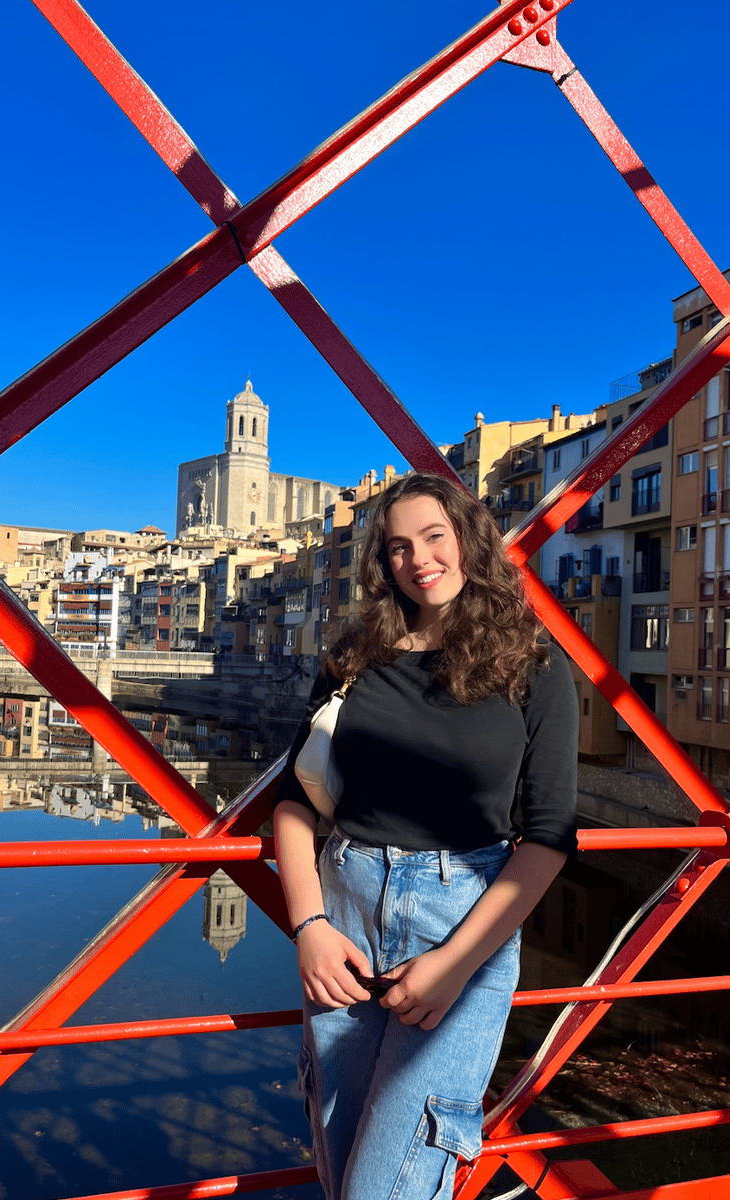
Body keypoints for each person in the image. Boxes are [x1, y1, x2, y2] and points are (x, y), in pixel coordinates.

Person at [274, 473, 578, 1200]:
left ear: (468, 540)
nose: (418, 559)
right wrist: (308, 926)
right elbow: (293, 802)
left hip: (463, 921)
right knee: (342, 1164)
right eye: (398, 547)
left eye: (433, 537)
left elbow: (547, 834)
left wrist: (455, 962)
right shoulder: (354, 660)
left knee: (386, 1185)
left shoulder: (532, 664)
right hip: (343, 916)